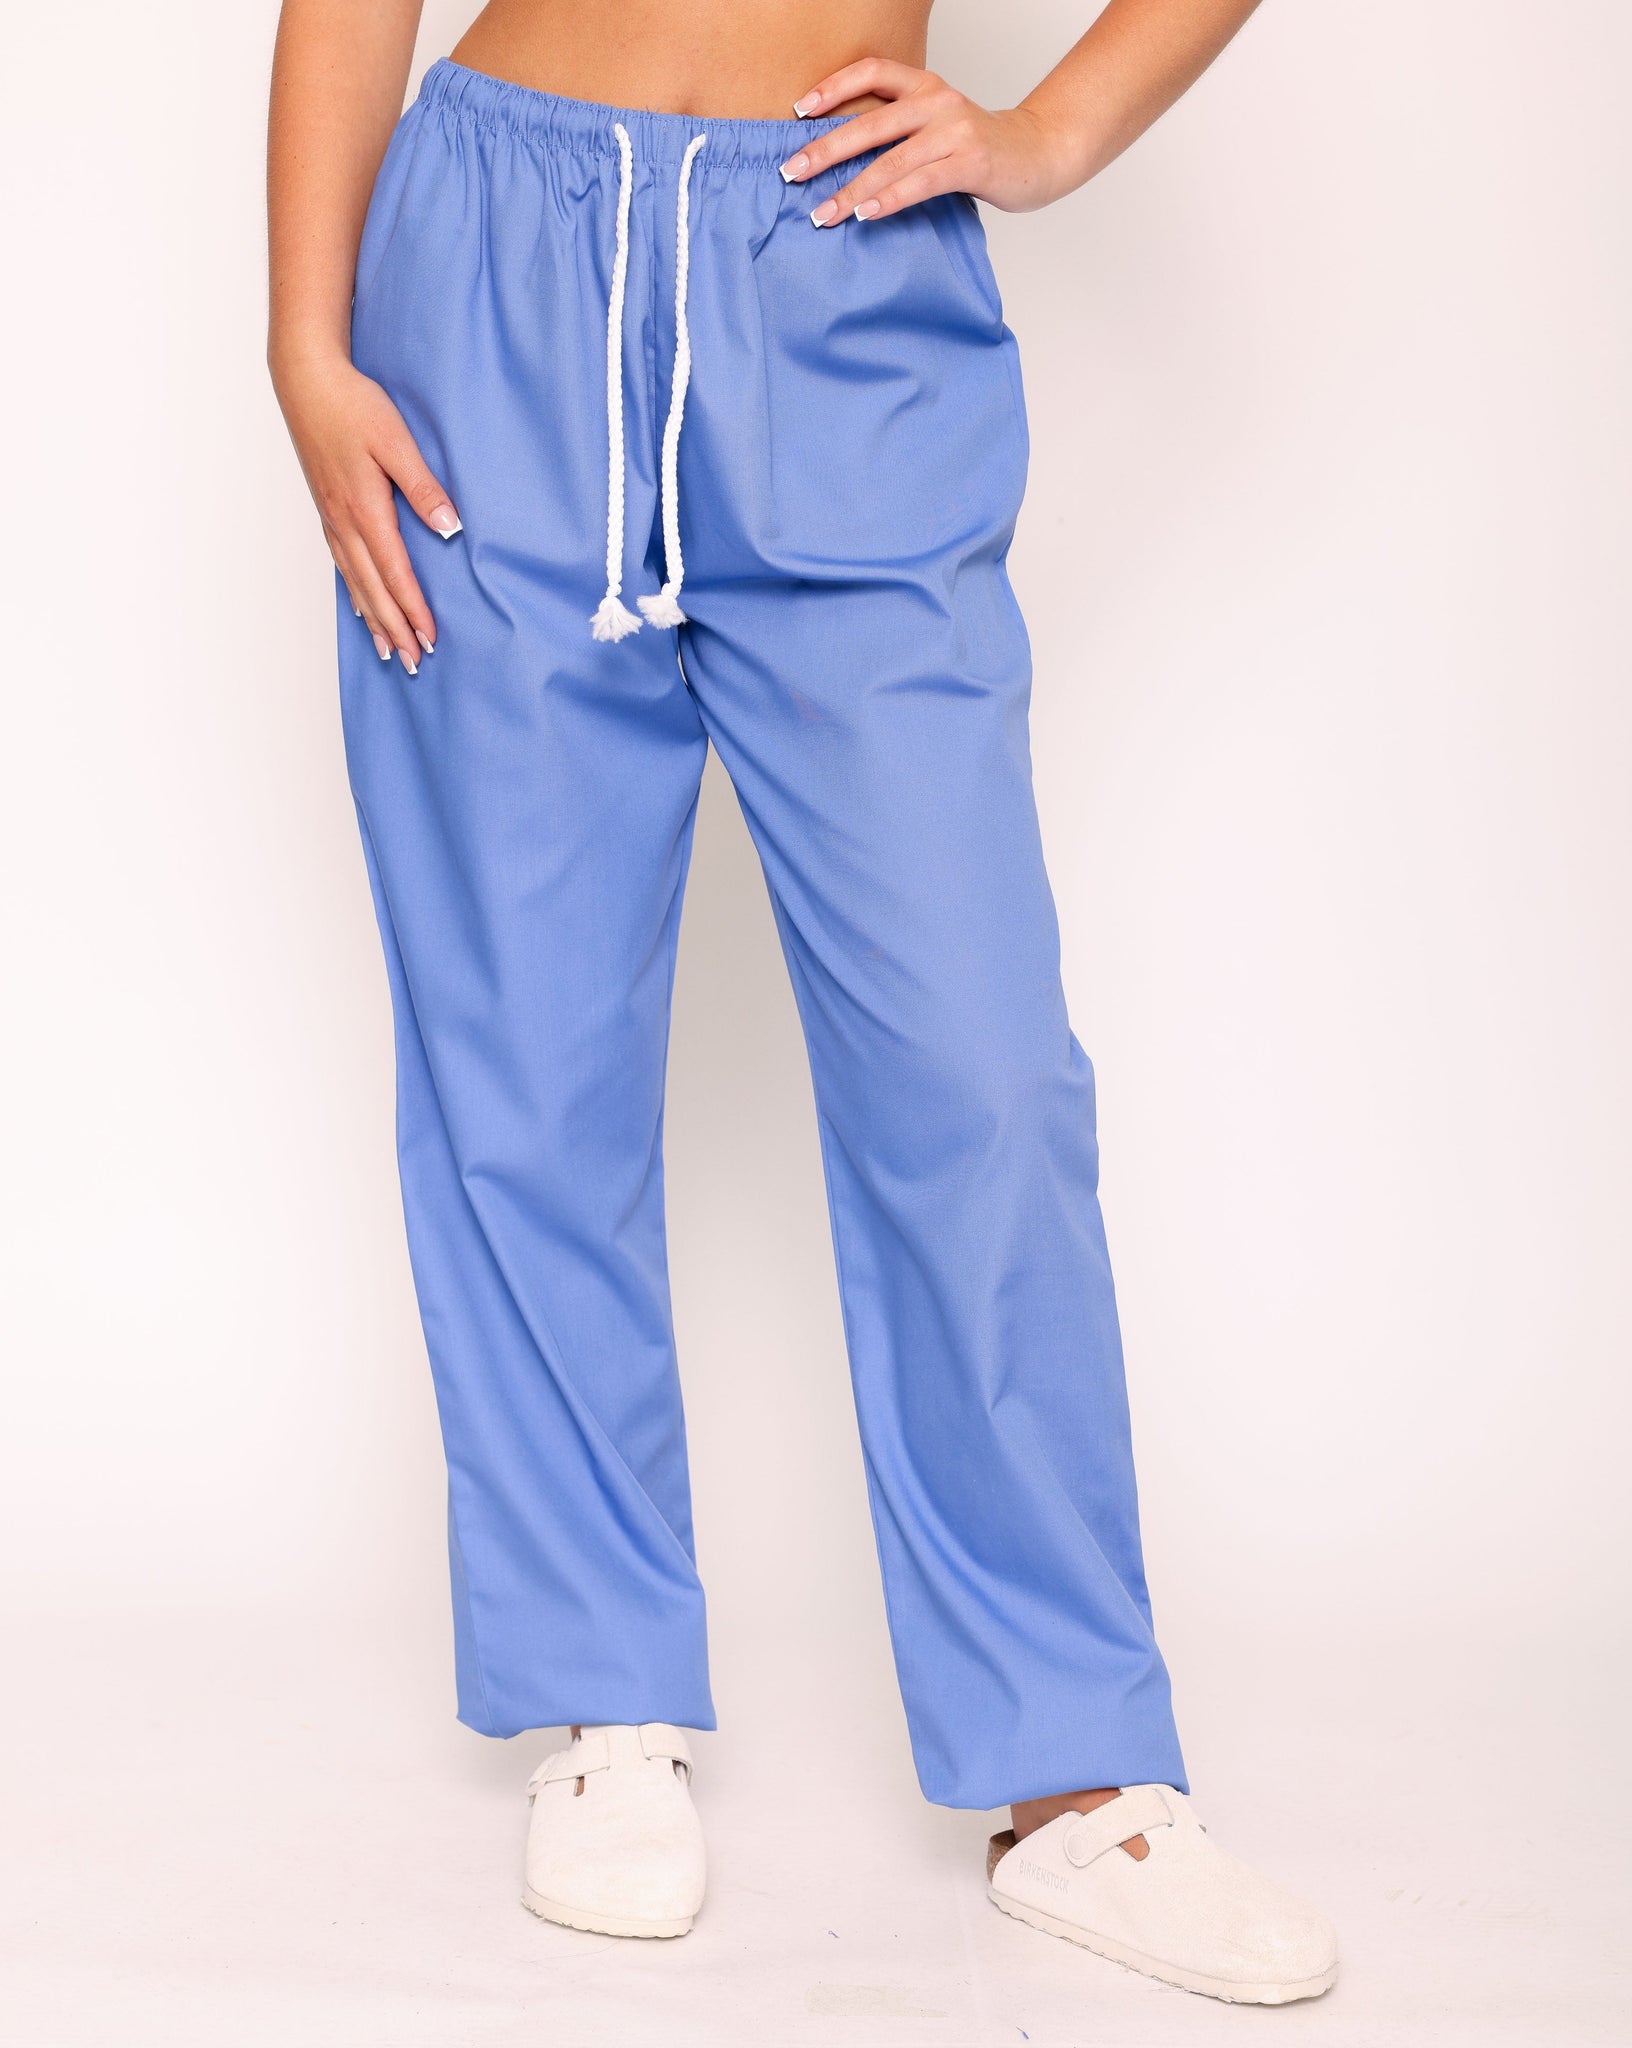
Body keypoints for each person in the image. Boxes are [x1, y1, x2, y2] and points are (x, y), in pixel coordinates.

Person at [268, 0, 1338, 2003]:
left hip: (847, 271)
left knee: (978, 1072)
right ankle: (603, 1696)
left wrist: (1047, 133)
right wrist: (306, 345)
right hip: (492, 276)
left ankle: (1074, 1773)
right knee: (523, 1050)